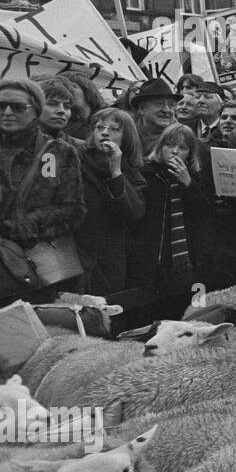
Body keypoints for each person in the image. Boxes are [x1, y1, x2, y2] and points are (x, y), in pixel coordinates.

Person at [0, 80, 85, 306]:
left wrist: (25, 223)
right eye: (1, 106)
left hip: (35, 268)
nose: (7, 112)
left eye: (17, 107)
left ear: (35, 110)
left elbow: (72, 209)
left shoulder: (56, 152)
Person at [123, 123, 206, 307]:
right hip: (152, 258)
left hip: (185, 260)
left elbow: (204, 216)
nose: (175, 151)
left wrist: (188, 184)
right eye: (170, 145)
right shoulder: (146, 174)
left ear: (190, 154)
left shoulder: (196, 177)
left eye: (182, 148)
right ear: (161, 147)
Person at [73, 108, 146, 296]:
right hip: (76, 250)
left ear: (126, 137)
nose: (105, 132)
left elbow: (133, 213)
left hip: (109, 255)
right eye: (99, 127)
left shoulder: (131, 172)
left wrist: (116, 171)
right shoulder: (75, 161)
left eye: (114, 129)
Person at [131, 78, 181, 155]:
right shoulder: (126, 138)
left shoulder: (182, 140)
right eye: (159, 104)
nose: (166, 110)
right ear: (141, 109)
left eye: (171, 105)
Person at [59, 75, 103, 142]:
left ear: (87, 90)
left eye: (74, 86)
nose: (69, 90)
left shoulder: (106, 118)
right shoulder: (65, 122)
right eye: (65, 87)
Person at [37, 77, 82, 143]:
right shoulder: (17, 142)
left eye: (67, 106)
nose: (62, 111)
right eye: (52, 104)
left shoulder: (81, 149)